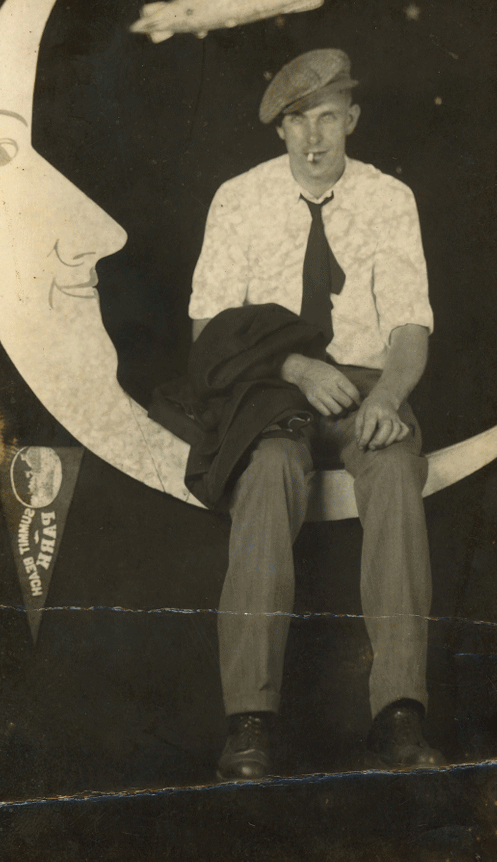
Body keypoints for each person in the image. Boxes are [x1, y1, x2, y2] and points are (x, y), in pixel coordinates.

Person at [188, 48, 444, 780]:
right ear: (281, 131)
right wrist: (294, 366)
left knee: (395, 469)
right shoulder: (237, 199)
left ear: (352, 120)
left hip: (367, 386)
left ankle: (399, 715)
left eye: (328, 118)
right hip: (271, 390)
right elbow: (208, 329)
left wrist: (389, 399)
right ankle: (250, 724)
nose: (314, 138)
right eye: (298, 121)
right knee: (267, 472)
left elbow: (408, 328)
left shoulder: (391, 199)